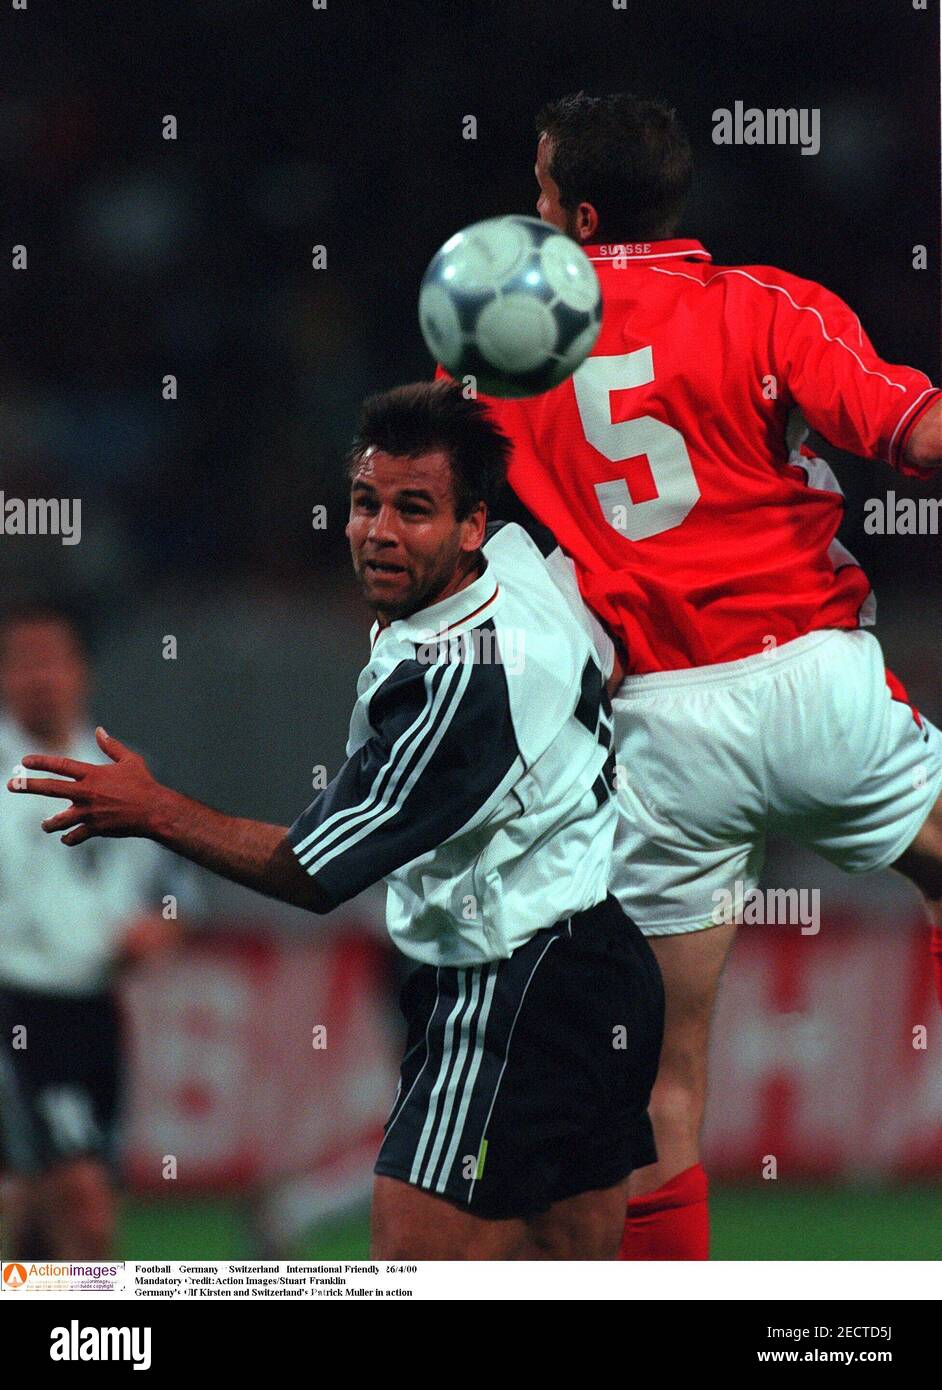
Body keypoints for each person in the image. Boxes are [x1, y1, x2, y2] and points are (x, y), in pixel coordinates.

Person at [8, 382, 665, 1260]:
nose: (380, 531)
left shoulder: (459, 680)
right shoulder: (517, 561)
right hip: (598, 968)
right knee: (561, 1269)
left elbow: (312, 871)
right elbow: (606, 648)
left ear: (470, 525)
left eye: (414, 511)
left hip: (511, 989)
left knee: (406, 1268)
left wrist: (154, 809)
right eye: (366, 504)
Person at [456, 91, 942, 1260]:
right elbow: (918, 439)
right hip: (814, 682)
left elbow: (454, 516)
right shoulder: (768, 306)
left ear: (575, 215)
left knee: (663, 1088)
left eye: (535, 192)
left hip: (659, 726)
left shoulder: (497, 344)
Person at [0, 604, 196, 1258]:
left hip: (94, 1015)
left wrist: (159, 929)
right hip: (14, 1011)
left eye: (51, 659)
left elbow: (179, 889)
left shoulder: (122, 773)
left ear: (81, 671)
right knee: (82, 1213)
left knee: (40, 1221)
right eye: (22, 662)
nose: (39, 677)